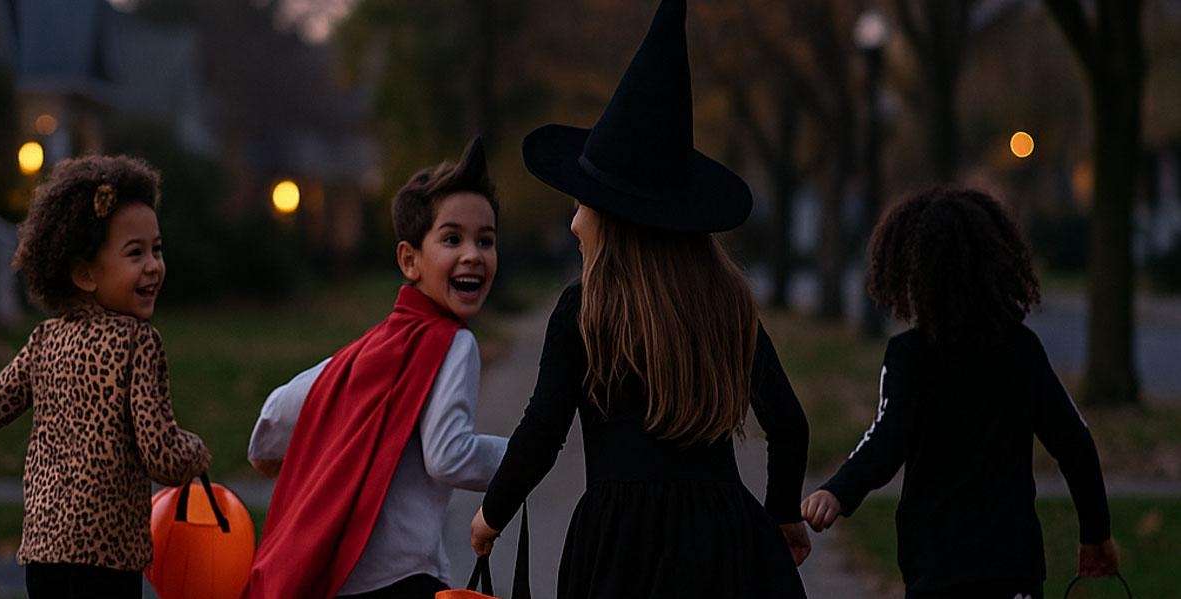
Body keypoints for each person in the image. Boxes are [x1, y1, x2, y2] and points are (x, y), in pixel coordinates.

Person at [469, 1, 811, 596]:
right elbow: (789, 423)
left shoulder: (585, 312)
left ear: (612, 221)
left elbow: (542, 432)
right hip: (727, 546)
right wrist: (783, 512)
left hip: (620, 551)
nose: (574, 223)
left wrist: (489, 515)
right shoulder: (727, 303)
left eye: (582, 206)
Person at [0, 156, 211, 599]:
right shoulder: (138, 343)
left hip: (45, 554)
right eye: (135, 253)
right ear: (84, 273)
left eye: (156, 249)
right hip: (108, 560)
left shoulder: (45, 341)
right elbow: (160, 453)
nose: (153, 267)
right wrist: (195, 452)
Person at [800, 186, 1119, 599]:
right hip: (1011, 565)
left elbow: (885, 439)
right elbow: (1075, 443)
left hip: (937, 563)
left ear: (912, 274)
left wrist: (837, 491)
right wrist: (1096, 535)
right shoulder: (1020, 349)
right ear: (997, 265)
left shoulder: (909, 356)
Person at [244, 138, 509, 599]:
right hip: (406, 576)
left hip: (339, 577)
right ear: (410, 260)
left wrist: (292, 460)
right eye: (452, 239)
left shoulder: (372, 349)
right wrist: (523, 456)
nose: (472, 254)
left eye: (485, 240)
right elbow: (449, 456)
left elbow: (273, 416)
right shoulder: (454, 343)